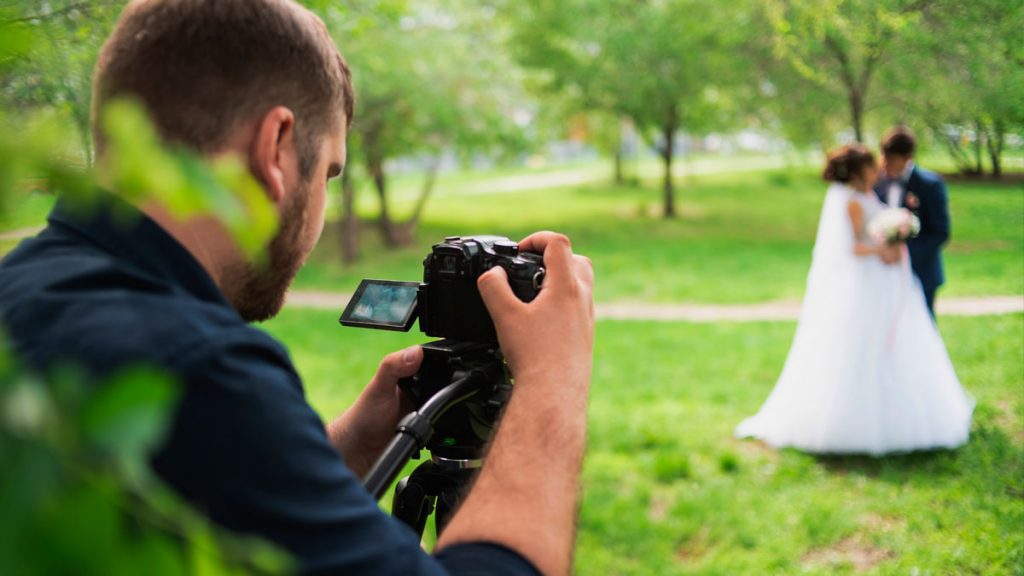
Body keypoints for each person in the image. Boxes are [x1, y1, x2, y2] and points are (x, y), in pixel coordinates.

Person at [0, 1, 595, 574]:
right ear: (276, 148)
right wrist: (552, 379)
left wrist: (346, 449)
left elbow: (207, 501)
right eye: (330, 172)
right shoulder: (195, 368)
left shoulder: (26, 292)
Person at [734, 145, 973, 456]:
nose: (878, 172)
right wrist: (884, 250)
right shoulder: (851, 201)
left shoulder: (867, 195)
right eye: (872, 168)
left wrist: (892, 239)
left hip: (882, 279)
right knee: (862, 345)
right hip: (864, 283)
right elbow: (855, 248)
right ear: (859, 172)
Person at [873, 126, 951, 317]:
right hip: (883, 270)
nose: (885, 164)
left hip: (921, 271)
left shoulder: (930, 185)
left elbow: (941, 231)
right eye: (884, 156)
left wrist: (905, 255)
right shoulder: (877, 183)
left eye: (891, 159)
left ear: (908, 157)